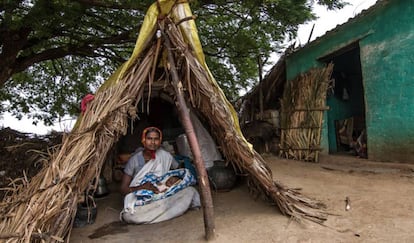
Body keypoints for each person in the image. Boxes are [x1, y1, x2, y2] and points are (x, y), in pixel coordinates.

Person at [120, 127, 200, 224]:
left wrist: (173, 181)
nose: (153, 142)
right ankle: (169, 212)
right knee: (128, 215)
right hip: (142, 200)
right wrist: (142, 187)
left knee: (190, 190)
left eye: (156, 139)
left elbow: (179, 172)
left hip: (163, 195)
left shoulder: (165, 156)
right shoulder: (134, 160)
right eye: (149, 138)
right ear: (143, 140)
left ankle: (155, 215)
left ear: (160, 141)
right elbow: (123, 189)